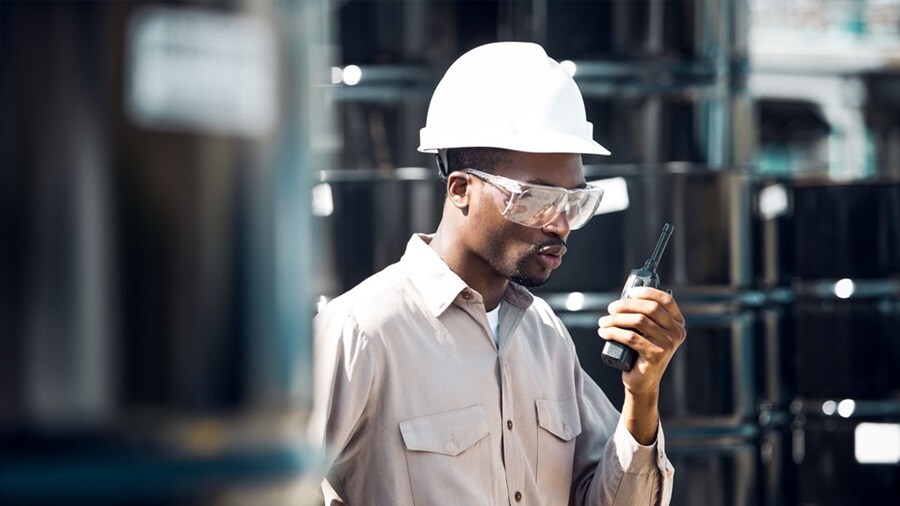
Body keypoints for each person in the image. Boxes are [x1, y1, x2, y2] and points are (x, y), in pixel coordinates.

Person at [309, 42, 686, 505]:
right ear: (461, 189)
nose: (560, 223)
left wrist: (642, 396)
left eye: (574, 202)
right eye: (536, 198)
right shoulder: (364, 331)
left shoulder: (545, 336)